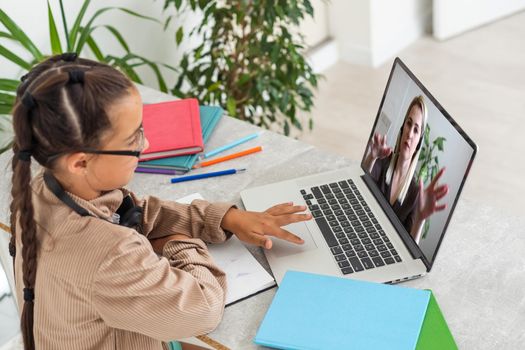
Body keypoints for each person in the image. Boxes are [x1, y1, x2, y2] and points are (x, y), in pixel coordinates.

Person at [8, 54, 311, 350]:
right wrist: (180, 242)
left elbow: (136, 211)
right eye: (132, 139)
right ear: (80, 163)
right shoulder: (109, 255)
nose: (146, 144)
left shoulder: (43, 186)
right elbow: (203, 309)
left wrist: (226, 218)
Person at [363, 95, 448, 244]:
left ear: (419, 142)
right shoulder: (382, 161)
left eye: (416, 130)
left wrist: (420, 219)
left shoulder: (416, 193)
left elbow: (411, 251)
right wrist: (372, 156)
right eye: (409, 124)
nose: (409, 134)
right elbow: (360, 187)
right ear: (402, 129)